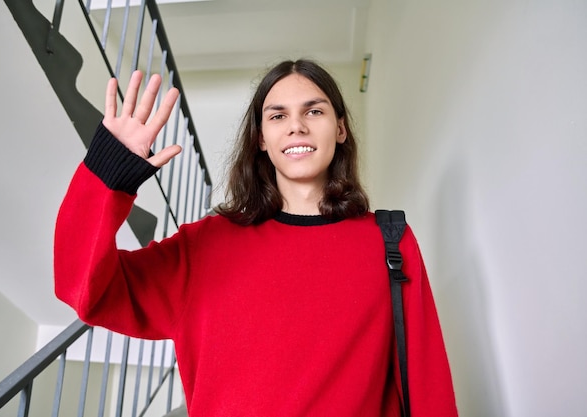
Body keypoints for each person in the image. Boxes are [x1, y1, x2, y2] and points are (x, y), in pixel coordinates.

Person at [54, 59, 458, 416]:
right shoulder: (205, 245)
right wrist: (109, 172)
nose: (296, 125)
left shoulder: (389, 241)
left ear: (339, 129)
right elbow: (86, 291)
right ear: (261, 139)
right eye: (277, 116)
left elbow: (427, 384)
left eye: (313, 111)